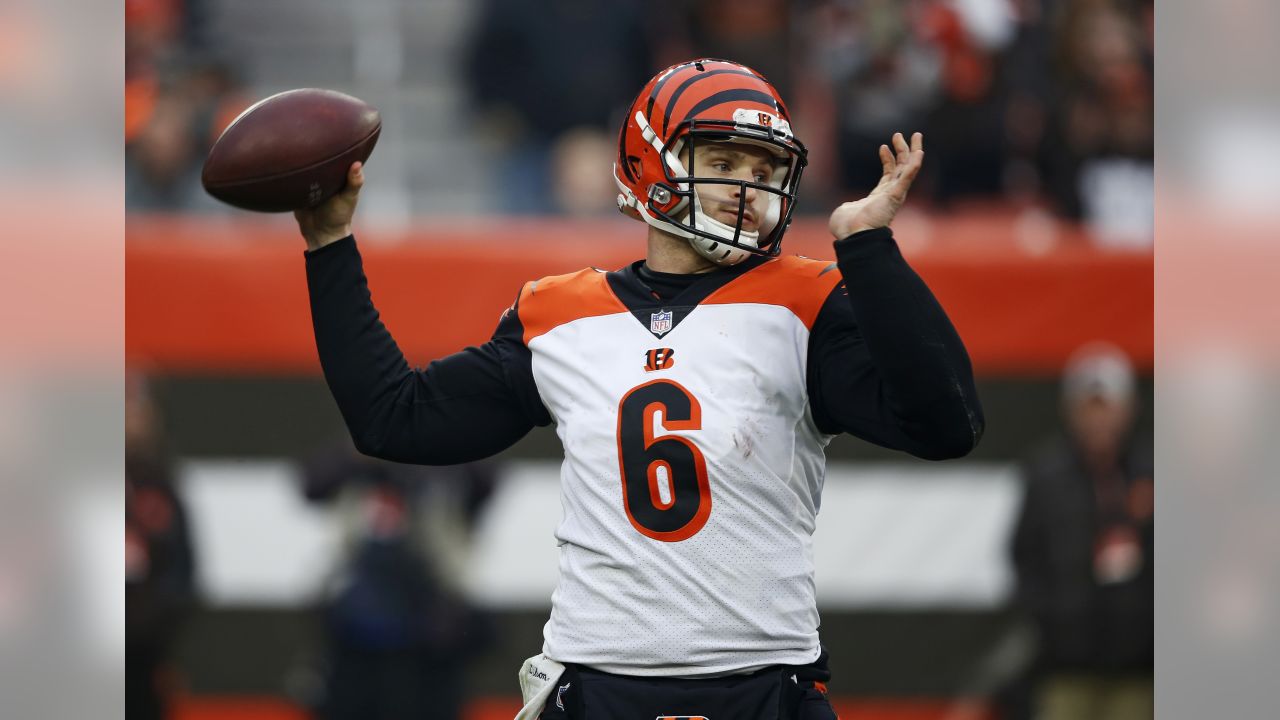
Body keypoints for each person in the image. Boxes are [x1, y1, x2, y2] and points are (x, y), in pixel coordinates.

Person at [295, 59, 983, 719]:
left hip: (762, 684)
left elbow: (947, 424)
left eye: (765, 169)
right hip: (600, 685)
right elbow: (395, 419)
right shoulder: (562, 314)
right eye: (722, 163)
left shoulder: (803, 302)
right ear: (652, 163)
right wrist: (329, 245)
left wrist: (868, 248)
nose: (748, 186)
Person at [1010, 343, 1153, 720]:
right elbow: (1025, 559)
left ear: (1129, 408)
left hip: (1140, 674)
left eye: (1107, 407)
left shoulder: (1153, 474)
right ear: (1070, 410)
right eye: (1090, 408)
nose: (1099, 420)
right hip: (1065, 671)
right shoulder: (1046, 476)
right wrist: (1055, 628)